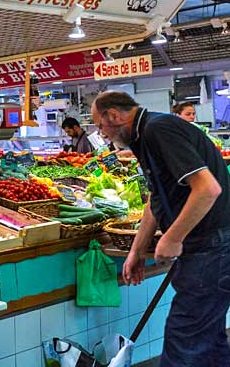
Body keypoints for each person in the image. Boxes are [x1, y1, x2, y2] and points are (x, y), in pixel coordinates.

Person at [91, 91, 230, 366]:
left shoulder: (159, 129)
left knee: (183, 343)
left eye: (99, 126)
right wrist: (137, 251)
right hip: (208, 249)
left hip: (212, 248)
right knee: (208, 341)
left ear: (113, 115)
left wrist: (172, 237)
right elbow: (157, 199)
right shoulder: (145, 137)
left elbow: (207, 189)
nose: (101, 134)